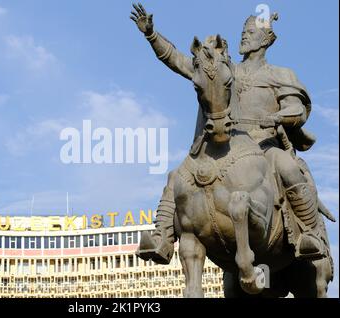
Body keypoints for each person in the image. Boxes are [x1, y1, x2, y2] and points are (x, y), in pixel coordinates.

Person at [130, 3, 325, 264]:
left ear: (266, 40)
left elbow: (297, 110)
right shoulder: (224, 69)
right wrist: (152, 35)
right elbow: (178, 61)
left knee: (288, 166)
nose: (244, 36)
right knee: (176, 175)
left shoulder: (280, 74)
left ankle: (309, 234)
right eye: (243, 31)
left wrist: (276, 116)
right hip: (229, 147)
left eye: (251, 32)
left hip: (265, 146)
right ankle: (163, 237)